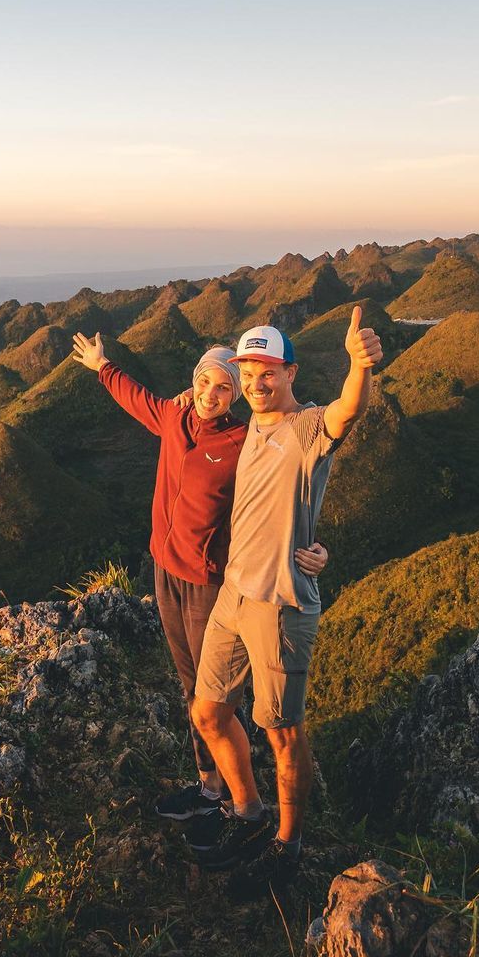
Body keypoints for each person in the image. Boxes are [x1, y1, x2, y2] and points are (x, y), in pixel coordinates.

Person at [69, 332, 328, 839]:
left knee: (212, 695)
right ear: (192, 384)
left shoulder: (244, 439)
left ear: (236, 395)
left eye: (224, 387)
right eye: (204, 382)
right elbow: (134, 396)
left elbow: (287, 493)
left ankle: (240, 801)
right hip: (166, 571)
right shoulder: (174, 417)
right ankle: (211, 788)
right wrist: (102, 366)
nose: (211, 393)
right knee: (193, 687)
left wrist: (316, 546)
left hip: (212, 582)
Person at [190, 307, 382, 897]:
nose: (255, 383)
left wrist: (360, 366)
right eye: (247, 372)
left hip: (280, 604)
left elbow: (350, 410)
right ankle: (247, 814)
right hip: (233, 595)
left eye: (267, 372)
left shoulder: (307, 428)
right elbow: (196, 397)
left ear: (291, 373)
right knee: (208, 713)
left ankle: (288, 845)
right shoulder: (249, 423)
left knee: (282, 732)